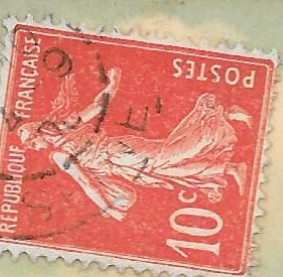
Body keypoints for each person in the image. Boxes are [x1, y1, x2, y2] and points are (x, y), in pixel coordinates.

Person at [19, 68, 251, 222]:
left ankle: (217, 113)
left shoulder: (61, 150)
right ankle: (230, 169)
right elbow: (98, 107)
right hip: (121, 163)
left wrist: (108, 208)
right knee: (167, 170)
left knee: (171, 155)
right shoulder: (68, 127)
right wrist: (113, 84)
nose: (34, 148)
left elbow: (86, 182)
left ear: (36, 135)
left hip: (122, 153)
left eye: (31, 144)